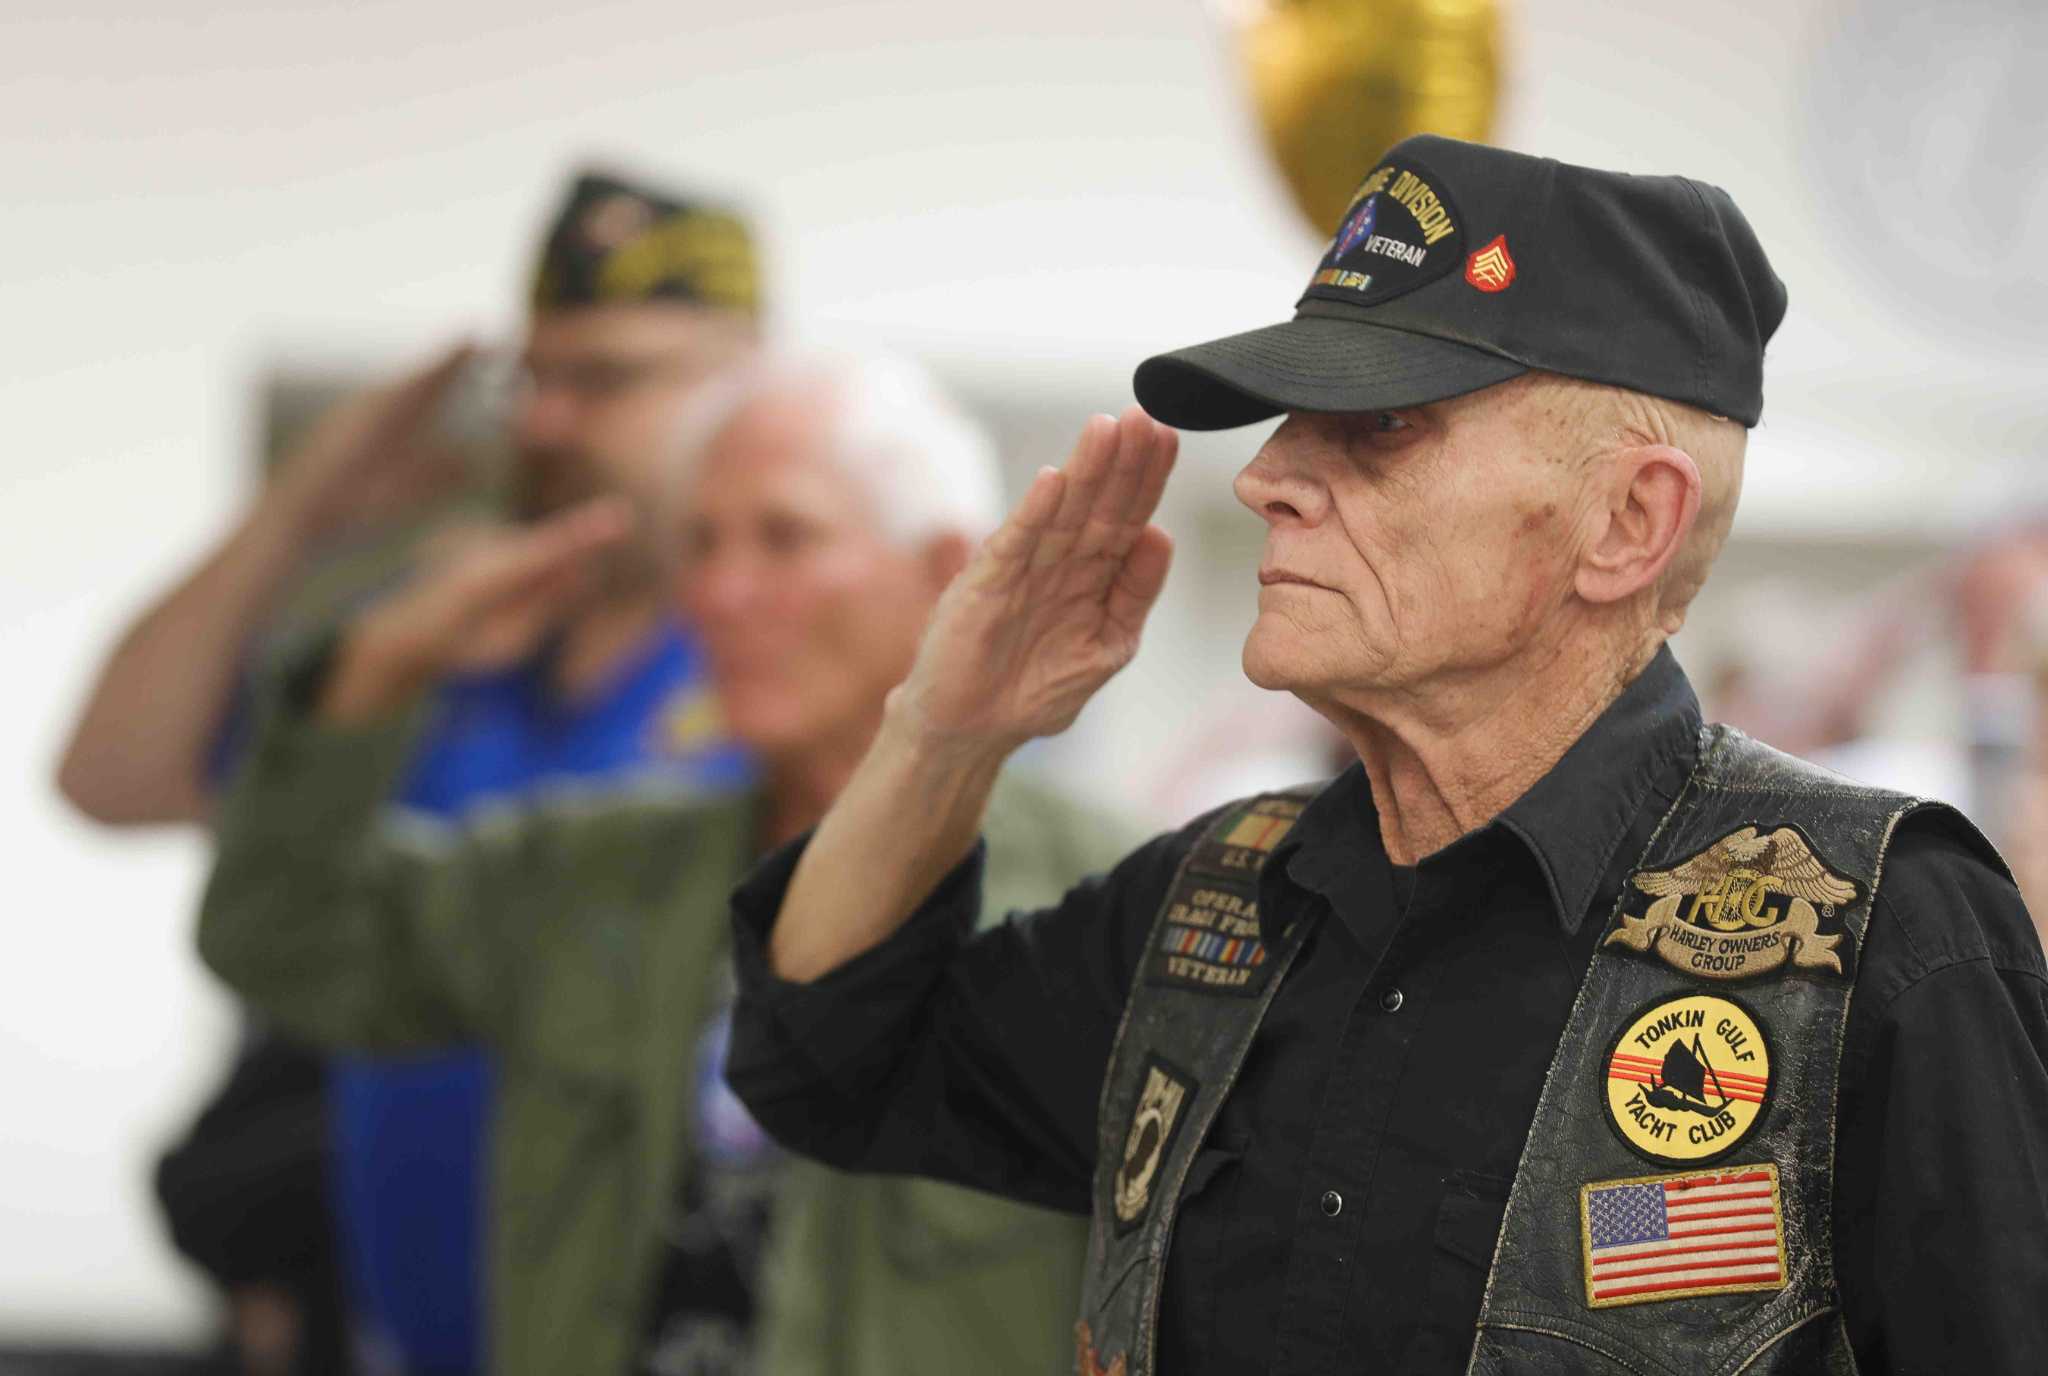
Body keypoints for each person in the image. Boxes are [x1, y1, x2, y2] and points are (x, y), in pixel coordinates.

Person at [723, 135, 2048, 1374]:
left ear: (1627, 523)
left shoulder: (1871, 935)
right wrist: (947, 733)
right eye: (1290, 422)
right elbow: (830, 1062)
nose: (1268, 477)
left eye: (1380, 427)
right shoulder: (1214, 907)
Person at [196, 351, 1133, 1376]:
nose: (721, 591)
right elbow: (275, 931)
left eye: (786, 534)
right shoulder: (583, 871)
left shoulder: (1100, 911)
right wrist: (380, 663)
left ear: (947, 568)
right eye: (697, 541)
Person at [58, 169, 761, 1373]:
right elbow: (112, 775)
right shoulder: (429, 638)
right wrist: (305, 511)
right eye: (532, 377)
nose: (546, 422)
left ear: (744, 383)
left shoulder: (775, 669)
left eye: (607, 378)